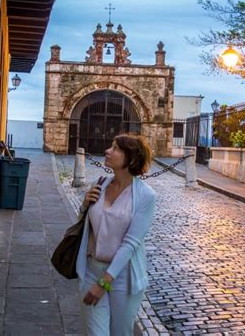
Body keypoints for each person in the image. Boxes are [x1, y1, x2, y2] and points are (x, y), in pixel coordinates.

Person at [76, 134, 156, 336]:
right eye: (111, 146)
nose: (108, 151)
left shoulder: (146, 196)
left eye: (116, 148)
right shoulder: (100, 184)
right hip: (92, 269)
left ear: (131, 159)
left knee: (120, 332)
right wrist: (85, 204)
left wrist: (104, 282)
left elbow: (130, 244)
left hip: (123, 277)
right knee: (95, 333)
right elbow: (85, 224)